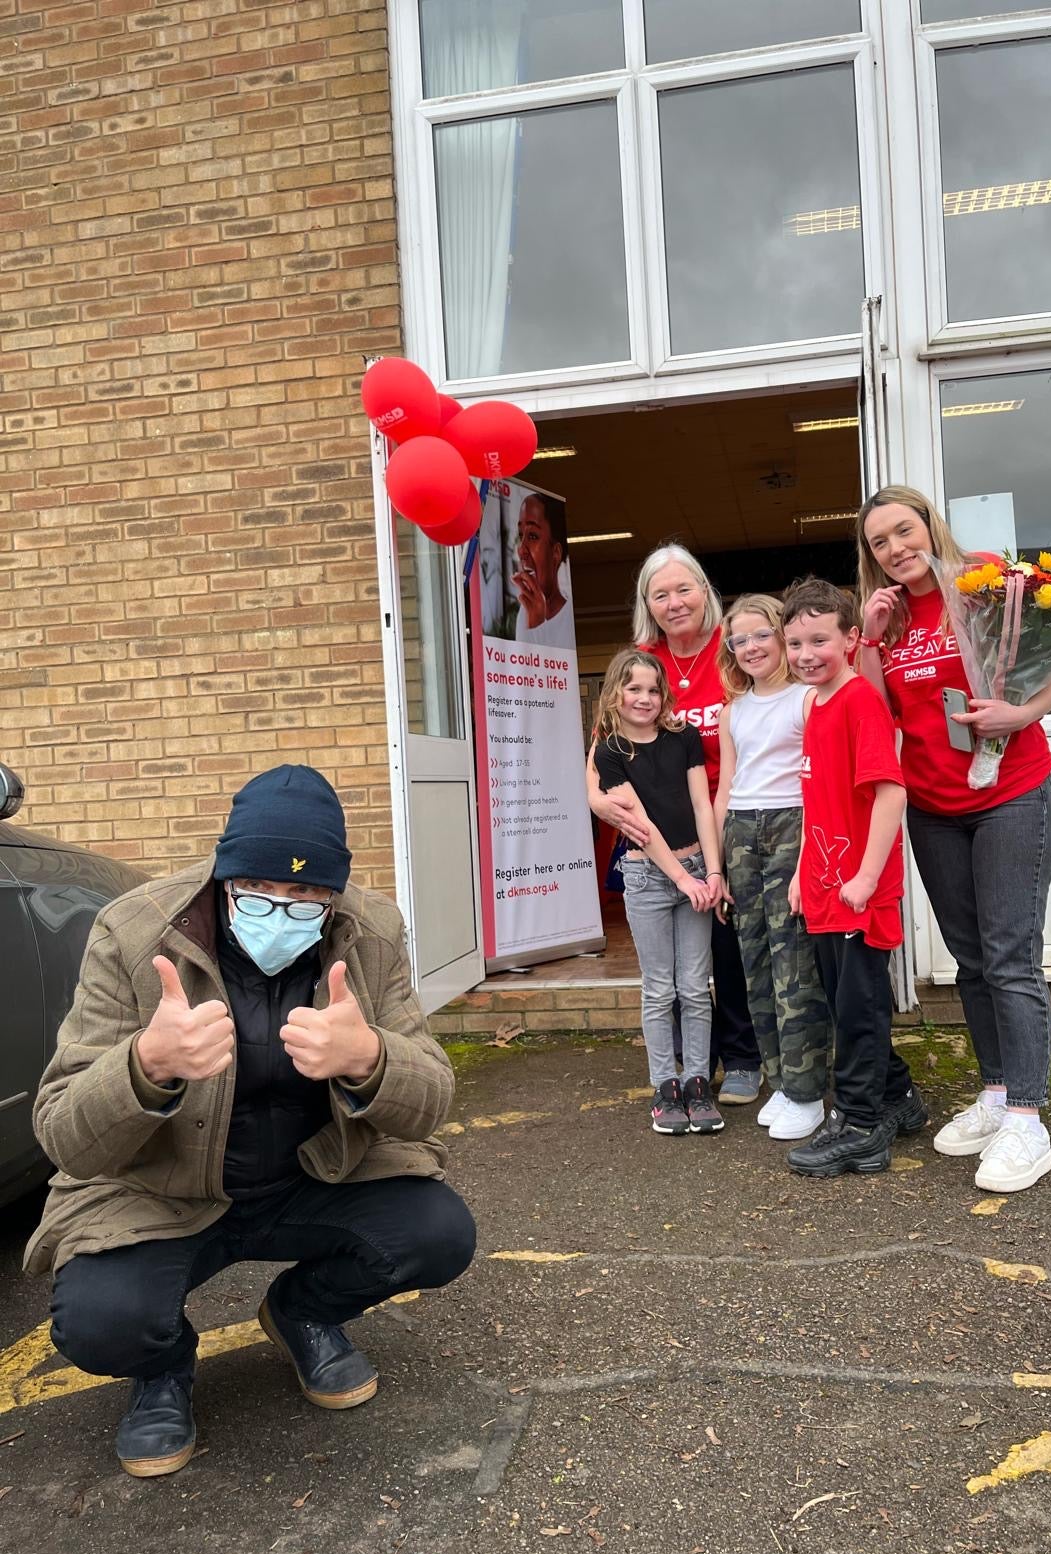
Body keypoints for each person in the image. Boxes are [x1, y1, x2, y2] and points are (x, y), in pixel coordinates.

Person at [24, 764, 476, 1478]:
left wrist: (370, 1058)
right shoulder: (135, 932)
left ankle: (302, 1310)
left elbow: (432, 1098)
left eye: (306, 895)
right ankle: (164, 1368)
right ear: (223, 876)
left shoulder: (373, 930)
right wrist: (146, 1064)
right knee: (99, 1324)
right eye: (258, 888)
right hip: (162, 1194)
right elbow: (64, 1134)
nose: (280, 907)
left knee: (438, 1234)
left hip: (310, 1177)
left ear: (334, 895)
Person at [856, 485, 1051, 1194]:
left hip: (1008, 794)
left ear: (928, 527)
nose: (895, 549)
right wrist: (870, 639)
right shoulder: (890, 617)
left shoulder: (983, 584)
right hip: (934, 806)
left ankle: (1029, 1123)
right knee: (971, 959)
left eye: (903, 531)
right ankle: (999, 1090)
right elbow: (874, 712)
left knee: (1010, 957)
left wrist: (1017, 712)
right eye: (880, 542)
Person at [586, 544, 763, 1105]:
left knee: (727, 946)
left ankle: (741, 1058)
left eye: (683, 589)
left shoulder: (730, 651)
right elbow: (600, 753)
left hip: (730, 820)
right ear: (647, 605)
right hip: (659, 837)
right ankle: (689, 1066)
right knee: (676, 964)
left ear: (705, 592)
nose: (674, 602)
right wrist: (594, 801)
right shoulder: (639, 662)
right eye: (659, 594)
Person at [782, 578, 925, 1179]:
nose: (805, 653)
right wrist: (798, 871)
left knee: (860, 1011)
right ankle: (898, 1098)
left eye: (819, 639)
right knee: (849, 1007)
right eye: (795, 642)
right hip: (822, 885)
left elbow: (891, 791)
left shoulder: (861, 700)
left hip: (857, 893)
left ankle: (862, 1126)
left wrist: (867, 877)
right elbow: (816, 799)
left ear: (850, 639)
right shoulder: (814, 704)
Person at [593, 650, 725, 1135]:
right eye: (634, 689)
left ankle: (696, 1082)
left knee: (694, 986)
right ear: (616, 694)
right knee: (659, 989)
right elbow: (641, 827)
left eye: (652, 689)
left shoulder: (684, 737)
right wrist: (684, 880)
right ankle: (664, 1086)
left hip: (695, 868)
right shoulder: (610, 751)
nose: (644, 698)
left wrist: (712, 872)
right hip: (649, 876)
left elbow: (700, 802)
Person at [713, 595, 830, 1143]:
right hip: (740, 830)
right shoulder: (731, 710)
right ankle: (782, 1080)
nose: (751, 647)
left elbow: (818, 783)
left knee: (795, 961)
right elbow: (724, 788)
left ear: (782, 635)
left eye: (761, 635)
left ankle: (808, 1091)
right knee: (754, 959)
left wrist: (809, 856)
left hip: (793, 825)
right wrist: (715, 866)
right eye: (740, 640)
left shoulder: (808, 699)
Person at [512, 490, 575, 648]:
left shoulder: (569, 619)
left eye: (532, 536)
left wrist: (537, 624)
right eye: (521, 536)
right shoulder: (525, 612)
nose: (521, 550)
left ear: (556, 552)